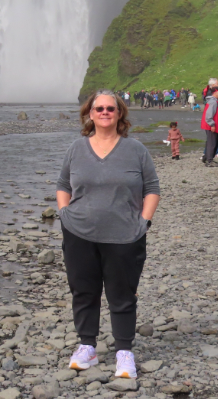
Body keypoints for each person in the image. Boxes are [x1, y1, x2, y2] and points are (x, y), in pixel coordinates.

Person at [57, 90, 160, 377]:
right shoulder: (77, 149)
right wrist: (64, 214)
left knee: (122, 294)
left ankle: (124, 351)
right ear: (89, 114)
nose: (104, 112)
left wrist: (144, 223)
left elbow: (152, 188)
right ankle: (87, 346)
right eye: (99, 108)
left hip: (125, 235)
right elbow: (63, 184)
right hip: (79, 233)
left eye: (110, 109)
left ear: (119, 114)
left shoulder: (136, 150)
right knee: (84, 292)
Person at [202, 86, 218, 166]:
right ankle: (209, 161)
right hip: (211, 125)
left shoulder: (213, 101)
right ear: (215, 92)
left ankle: (207, 157)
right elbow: (209, 114)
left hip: (211, 124)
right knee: (212, 143)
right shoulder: (213, 102)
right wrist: (212, 124)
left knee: (210, 142)